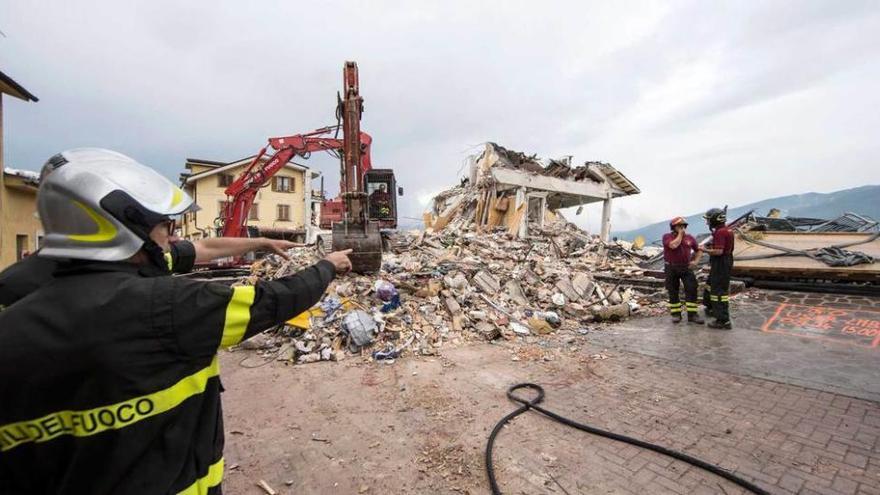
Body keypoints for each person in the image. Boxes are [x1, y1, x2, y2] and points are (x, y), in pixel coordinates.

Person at [0, 149, 352, 494]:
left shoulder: (17, 300)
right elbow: (271, 300)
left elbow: (202, 250)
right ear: (122, 226)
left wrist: (259, 241)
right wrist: (327, 267)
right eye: (164, 226)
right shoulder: (168, 307)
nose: (172, 236)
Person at [661, 217, 704, 324]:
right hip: (671, 267)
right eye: (679, 226)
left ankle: (692, 315)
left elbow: (698, 250)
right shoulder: (667, 237)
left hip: (686, 267)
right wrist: (680, 234)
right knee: (673, 290)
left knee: (692, 289)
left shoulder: (690, 238)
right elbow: (674, 245)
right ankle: (676, 315)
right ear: (673, 227)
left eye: (683, 226)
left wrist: (696, 261)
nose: (682, 228)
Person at [702, 207, 734, 329]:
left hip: (721, 263)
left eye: (708, 220)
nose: (707, 223)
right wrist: (712, 245)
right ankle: (710, 307)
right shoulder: (727, 230)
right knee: (710, 285)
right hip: (724, 262)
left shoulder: (720, 232)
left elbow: (719, 252)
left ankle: (723, 320)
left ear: (715, 220)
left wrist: (704, 249)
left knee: (718, 292)